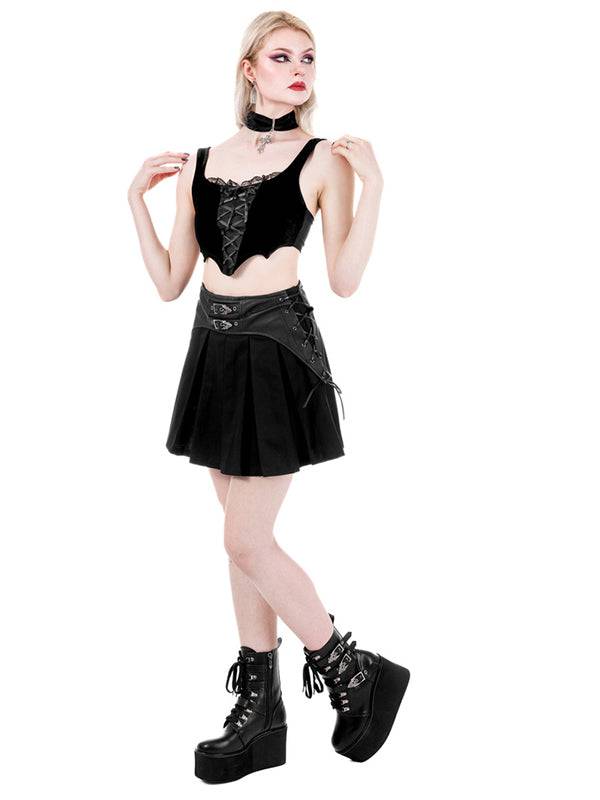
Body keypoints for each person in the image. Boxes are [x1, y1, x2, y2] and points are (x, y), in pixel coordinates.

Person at [127, 10, 410, 784]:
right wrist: (135, 203)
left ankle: (353, 671)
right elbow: (170, 283)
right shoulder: (202, 160)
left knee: (245, 539)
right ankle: (263, 716)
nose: (299, 69)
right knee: (239, 541)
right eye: (282, 56)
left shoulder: (323, 158)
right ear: (249, 68)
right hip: (213, 353)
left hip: (277, 351)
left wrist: (376, 187)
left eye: (308, 58)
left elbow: (344, 280)